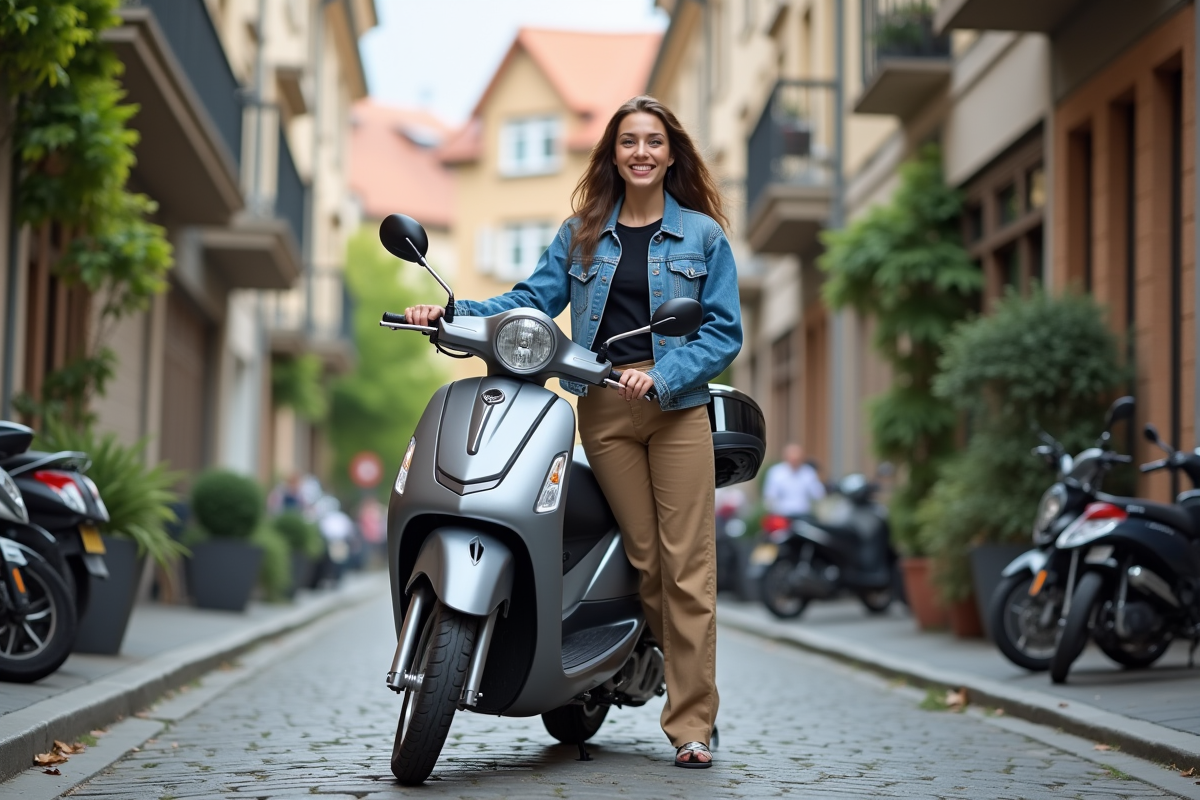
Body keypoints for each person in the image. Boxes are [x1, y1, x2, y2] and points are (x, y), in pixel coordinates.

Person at [405, 95, 741, 769]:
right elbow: (531, 299)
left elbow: (722, 329)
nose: (641, 152)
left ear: (671, 153)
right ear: (612, 154)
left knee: (687, 569)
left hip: (675, 409)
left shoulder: (703, 236)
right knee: (647, 560)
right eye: (628, 142)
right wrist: (451, 312)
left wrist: (665, 373)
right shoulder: (583, 232)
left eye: (653, 141)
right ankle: (627, 661)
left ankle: (692, 726)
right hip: (606, 408)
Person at [762, 443, 826, 518]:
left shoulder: (808, 473)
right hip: (782, 515)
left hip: (803, 515)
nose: (794, 461)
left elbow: (818, 494)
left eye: (797, 459)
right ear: (786, 457)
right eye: (792, 458)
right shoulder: (776, 473)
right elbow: (770, 496)